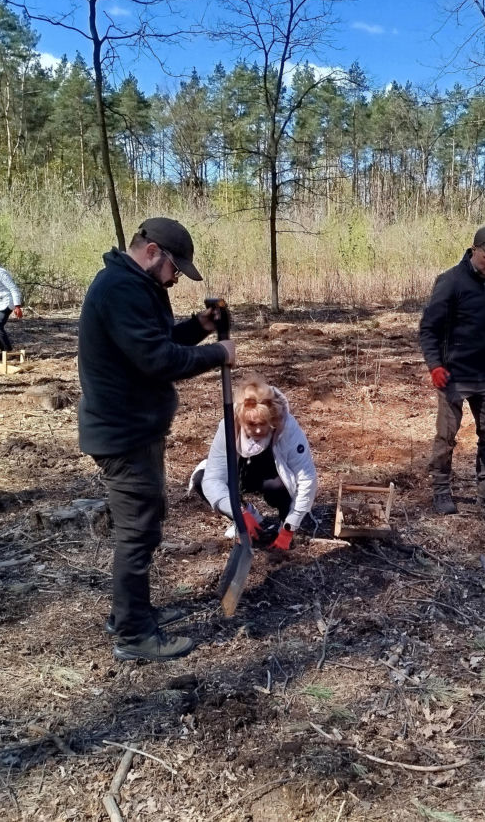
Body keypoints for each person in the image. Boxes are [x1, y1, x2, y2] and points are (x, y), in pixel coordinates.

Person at [77, 217, 236, 662]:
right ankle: (132, 634)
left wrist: (201, 326)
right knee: (136, 532)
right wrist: (217, 353)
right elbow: (157, 359)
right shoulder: (120, 289)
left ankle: (130, 612)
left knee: (143, 528)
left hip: (134, 428)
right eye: (174, 269)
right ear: (152, 253)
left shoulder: (134, 286)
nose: (175, 279)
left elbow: (159, 339)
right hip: (123, 433)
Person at [418, 224, 485, 520]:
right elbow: (428, 328)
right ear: (475, 249)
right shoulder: (451, 281)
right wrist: (435, 365)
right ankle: (440, 492)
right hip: (453, 375)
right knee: (446, 437)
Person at [191, 373, 317, 550]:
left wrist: (291, 525)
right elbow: (214, 479)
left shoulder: (287, 426)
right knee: (201, 480)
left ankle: (283, 521)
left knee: (278, 487)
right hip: (242, 472)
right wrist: (238, 512)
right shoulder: (227, 426)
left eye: (263, 423)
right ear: (242, 420)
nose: (258, 429)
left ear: (272, 419)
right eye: (251, 424)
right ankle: (249, 515)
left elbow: (307, 478)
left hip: (271, 474)